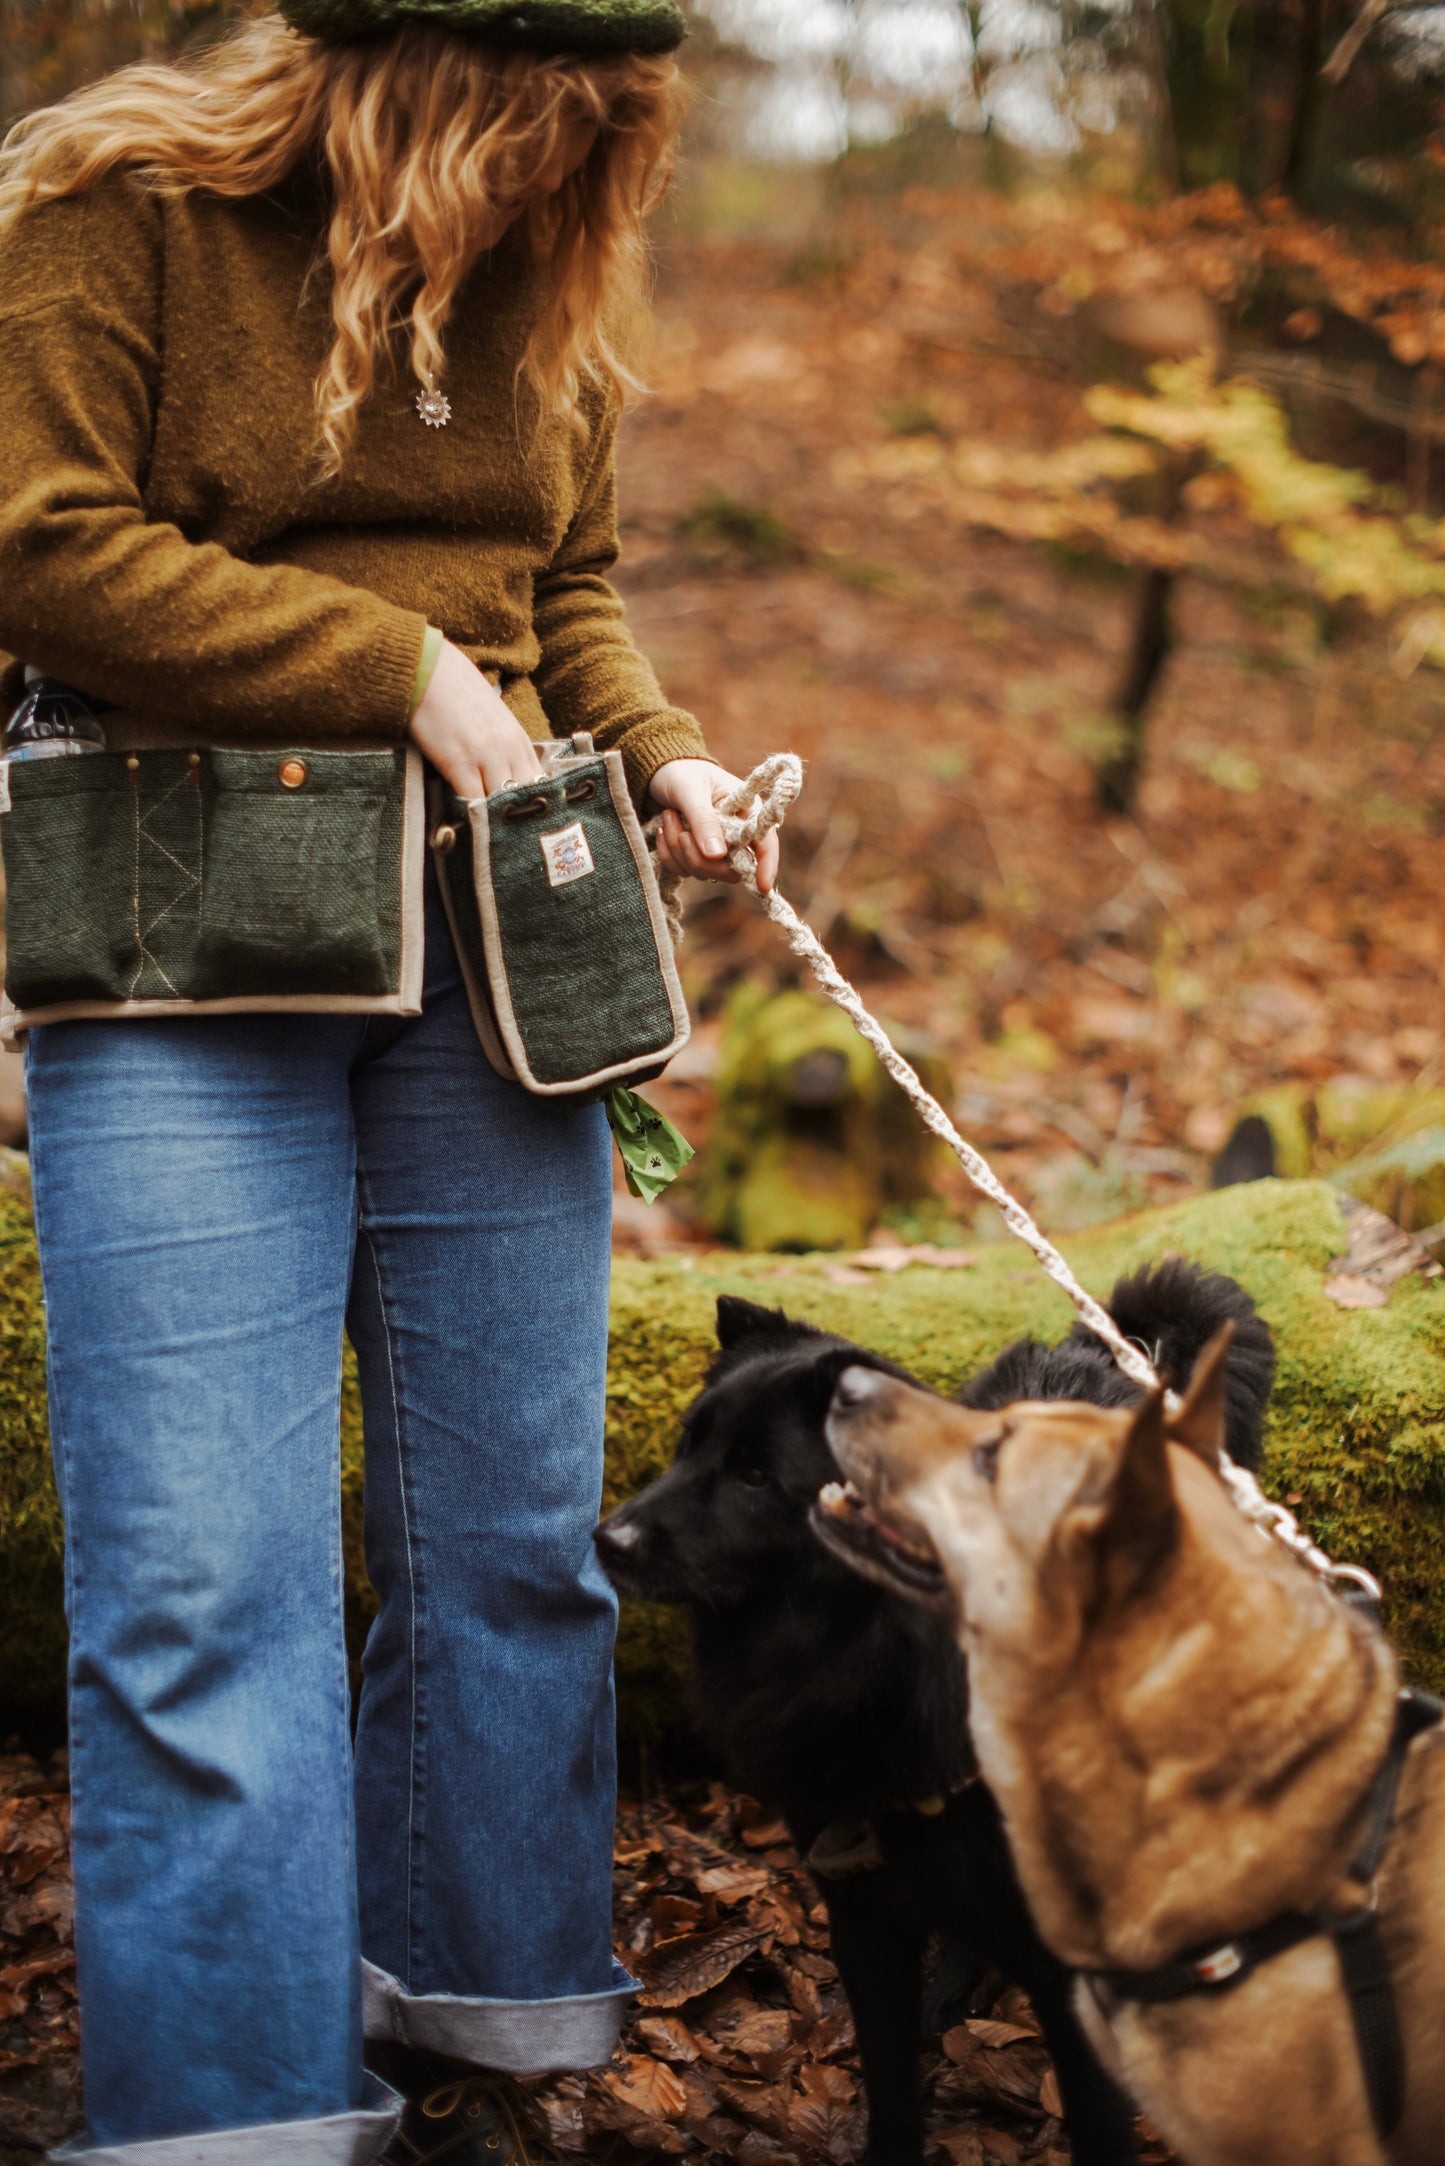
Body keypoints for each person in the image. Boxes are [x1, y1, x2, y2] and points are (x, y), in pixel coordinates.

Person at [0, 4, 778, 2159]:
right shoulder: (109, 212)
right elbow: (37, 544)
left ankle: (492, 2027)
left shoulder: (547, 269)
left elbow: (568, 585)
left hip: (502, 968)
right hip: (179, 948)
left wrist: (662, 751)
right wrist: (395, 669)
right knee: (199, 1584)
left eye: (600, 144)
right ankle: (236, 2115)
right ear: (406, 82)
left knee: (516, 1546)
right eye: (534, 132)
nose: (561, 183)